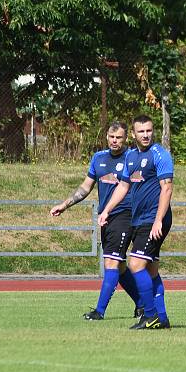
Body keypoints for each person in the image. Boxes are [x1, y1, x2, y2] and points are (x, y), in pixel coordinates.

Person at [50, 121, 141, 320]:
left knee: (111, 262)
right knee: (121, 266)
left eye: (119, 137)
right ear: (107, 136)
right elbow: (85, 187)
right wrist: (64, 205)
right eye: (111, 136)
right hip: (105, 217)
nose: (114, 141)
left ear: (126, 139)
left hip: (125, 215)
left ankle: (99, 311)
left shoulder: (132, 158)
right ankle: (142, 303)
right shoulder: (98, 158)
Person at [98, 115, 174, 330]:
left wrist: (159, 220)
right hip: (139, 219)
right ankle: (162, 317)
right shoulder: (130, 156)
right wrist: (106, 210)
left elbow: (166, 188)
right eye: (141, 131)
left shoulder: (160, 155)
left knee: (135, 264)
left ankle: (149, 315)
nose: (146, 135)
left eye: (149, 130)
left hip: (154, 218)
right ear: (133, 134)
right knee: (151, 271)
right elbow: (123, 186)